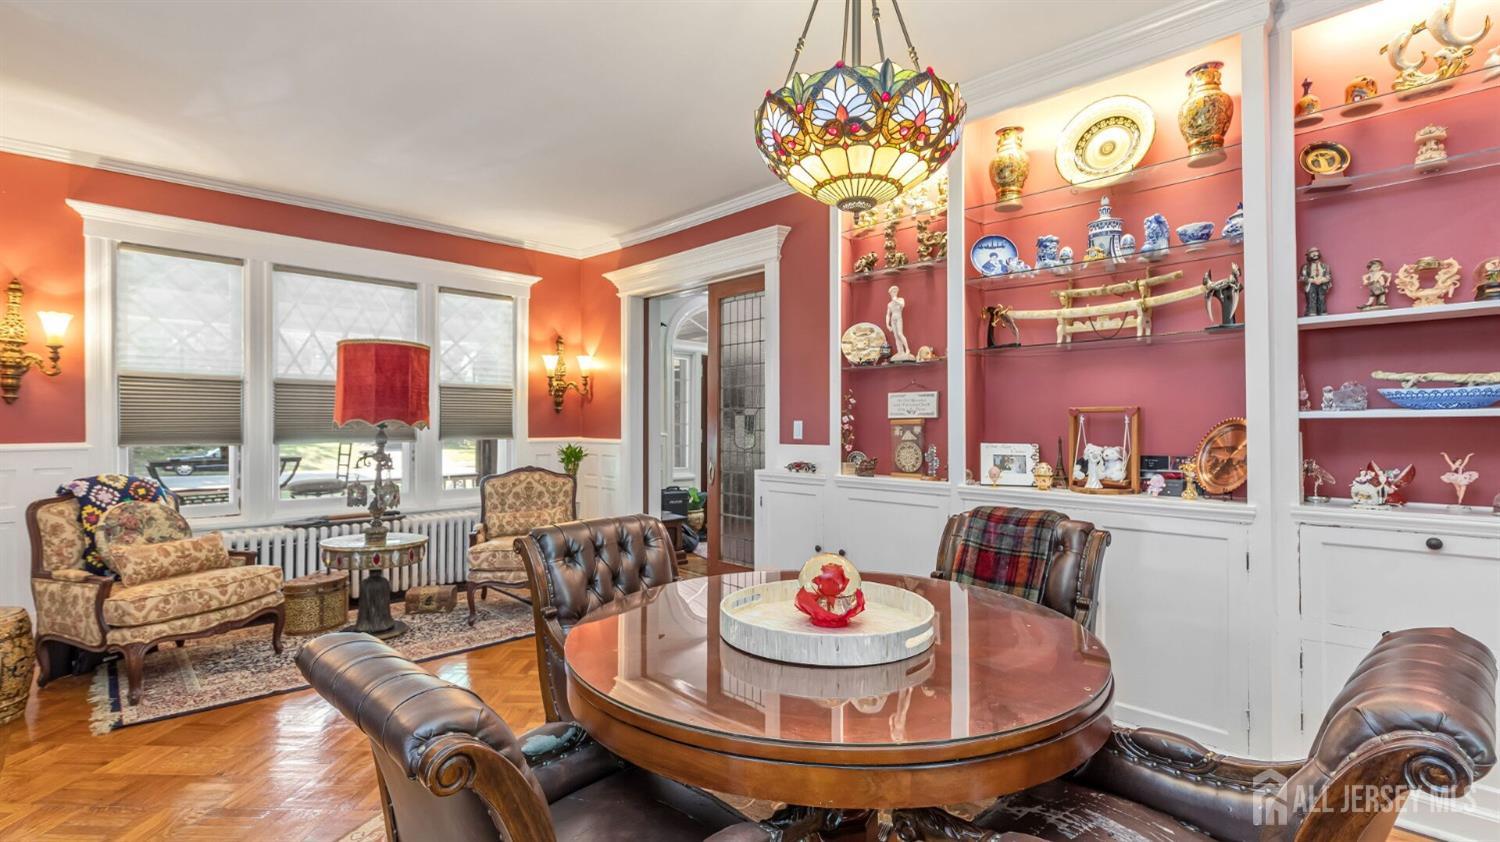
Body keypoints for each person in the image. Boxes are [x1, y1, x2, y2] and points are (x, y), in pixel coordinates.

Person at [1300, 246, 1332, 316]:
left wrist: (1322, 280)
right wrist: (1311, 280)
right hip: (1311, 284)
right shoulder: (1305, 267)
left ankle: (1322, 311)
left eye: (1316, 252)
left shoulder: (1325, 266)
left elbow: (1328, 276)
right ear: (1308, 255)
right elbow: (1302, 277)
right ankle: (1312, 311)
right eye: (1312, 253)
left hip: (1322, 284)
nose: (1315, 255)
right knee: (1312, 296)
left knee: (1321, 297)